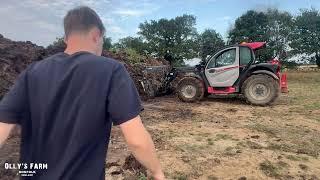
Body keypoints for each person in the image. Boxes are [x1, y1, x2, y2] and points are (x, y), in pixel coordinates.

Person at [0, 6, 165, 180]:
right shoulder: (111, 70)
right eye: (102, 39)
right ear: (96, 35)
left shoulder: (32, 72)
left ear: (66, 38)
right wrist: (157, 173)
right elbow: (136, 140)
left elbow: (3, 127)